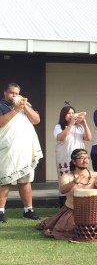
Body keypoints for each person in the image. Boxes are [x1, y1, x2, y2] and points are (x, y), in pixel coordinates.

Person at [36, 149, 97, 240]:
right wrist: (74, 182)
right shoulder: (67, 176)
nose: (85, 160)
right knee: (70, 229)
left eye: (86, 158)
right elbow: (63, 190)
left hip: (90, 213)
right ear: (74, 161)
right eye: (81, 158)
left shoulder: (94, 175)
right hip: (72, 211)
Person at [0, 82, 43, 222]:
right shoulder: (1, 106)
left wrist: (24, 107)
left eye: (17, 93)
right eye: (11, 93)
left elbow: (36, 120)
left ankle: (28, 210)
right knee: (4, 181)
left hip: (24, 150)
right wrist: (16, 110)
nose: (14, 96)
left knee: (25, 181)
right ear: (5, 93)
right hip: (7, 150)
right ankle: (0, 211)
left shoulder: (25, 105)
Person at [54, 105, 92, 207]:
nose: (71, 115)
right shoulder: (59, 127)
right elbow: (61, 138)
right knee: (65, 181)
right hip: (64, 158)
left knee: (79, 179)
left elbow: (88, 138)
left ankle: (78, 205)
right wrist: (71, 124)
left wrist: (84, 123)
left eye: (72, 113)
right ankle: (64, 207)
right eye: (68, 113)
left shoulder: (79, 127)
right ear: (63, 115)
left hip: (79, 159)